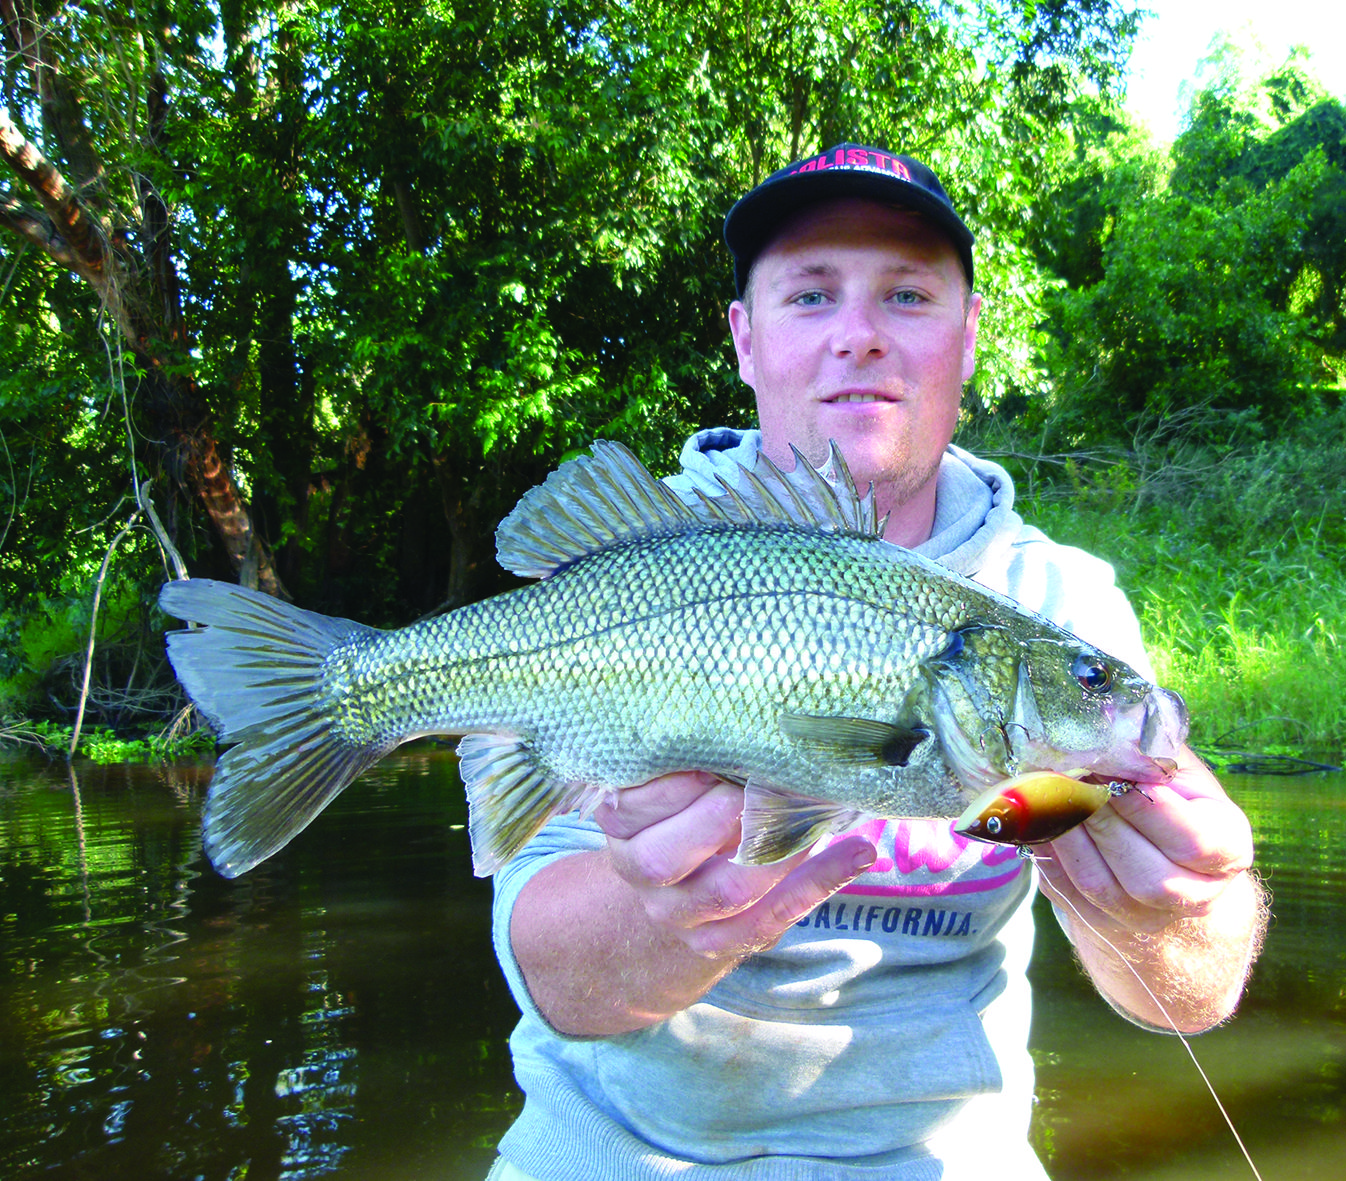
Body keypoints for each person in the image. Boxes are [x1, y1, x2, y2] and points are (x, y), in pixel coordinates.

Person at [485, 143, 1267, 1180]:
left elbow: (1186, 997)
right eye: (811, 296)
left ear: (970, 334)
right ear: (745, 339)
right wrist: (660, 912)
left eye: (906, 293)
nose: (859, 337)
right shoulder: (637, 568)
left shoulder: (1052, 605)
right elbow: (559, 981)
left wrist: (1177, 909)